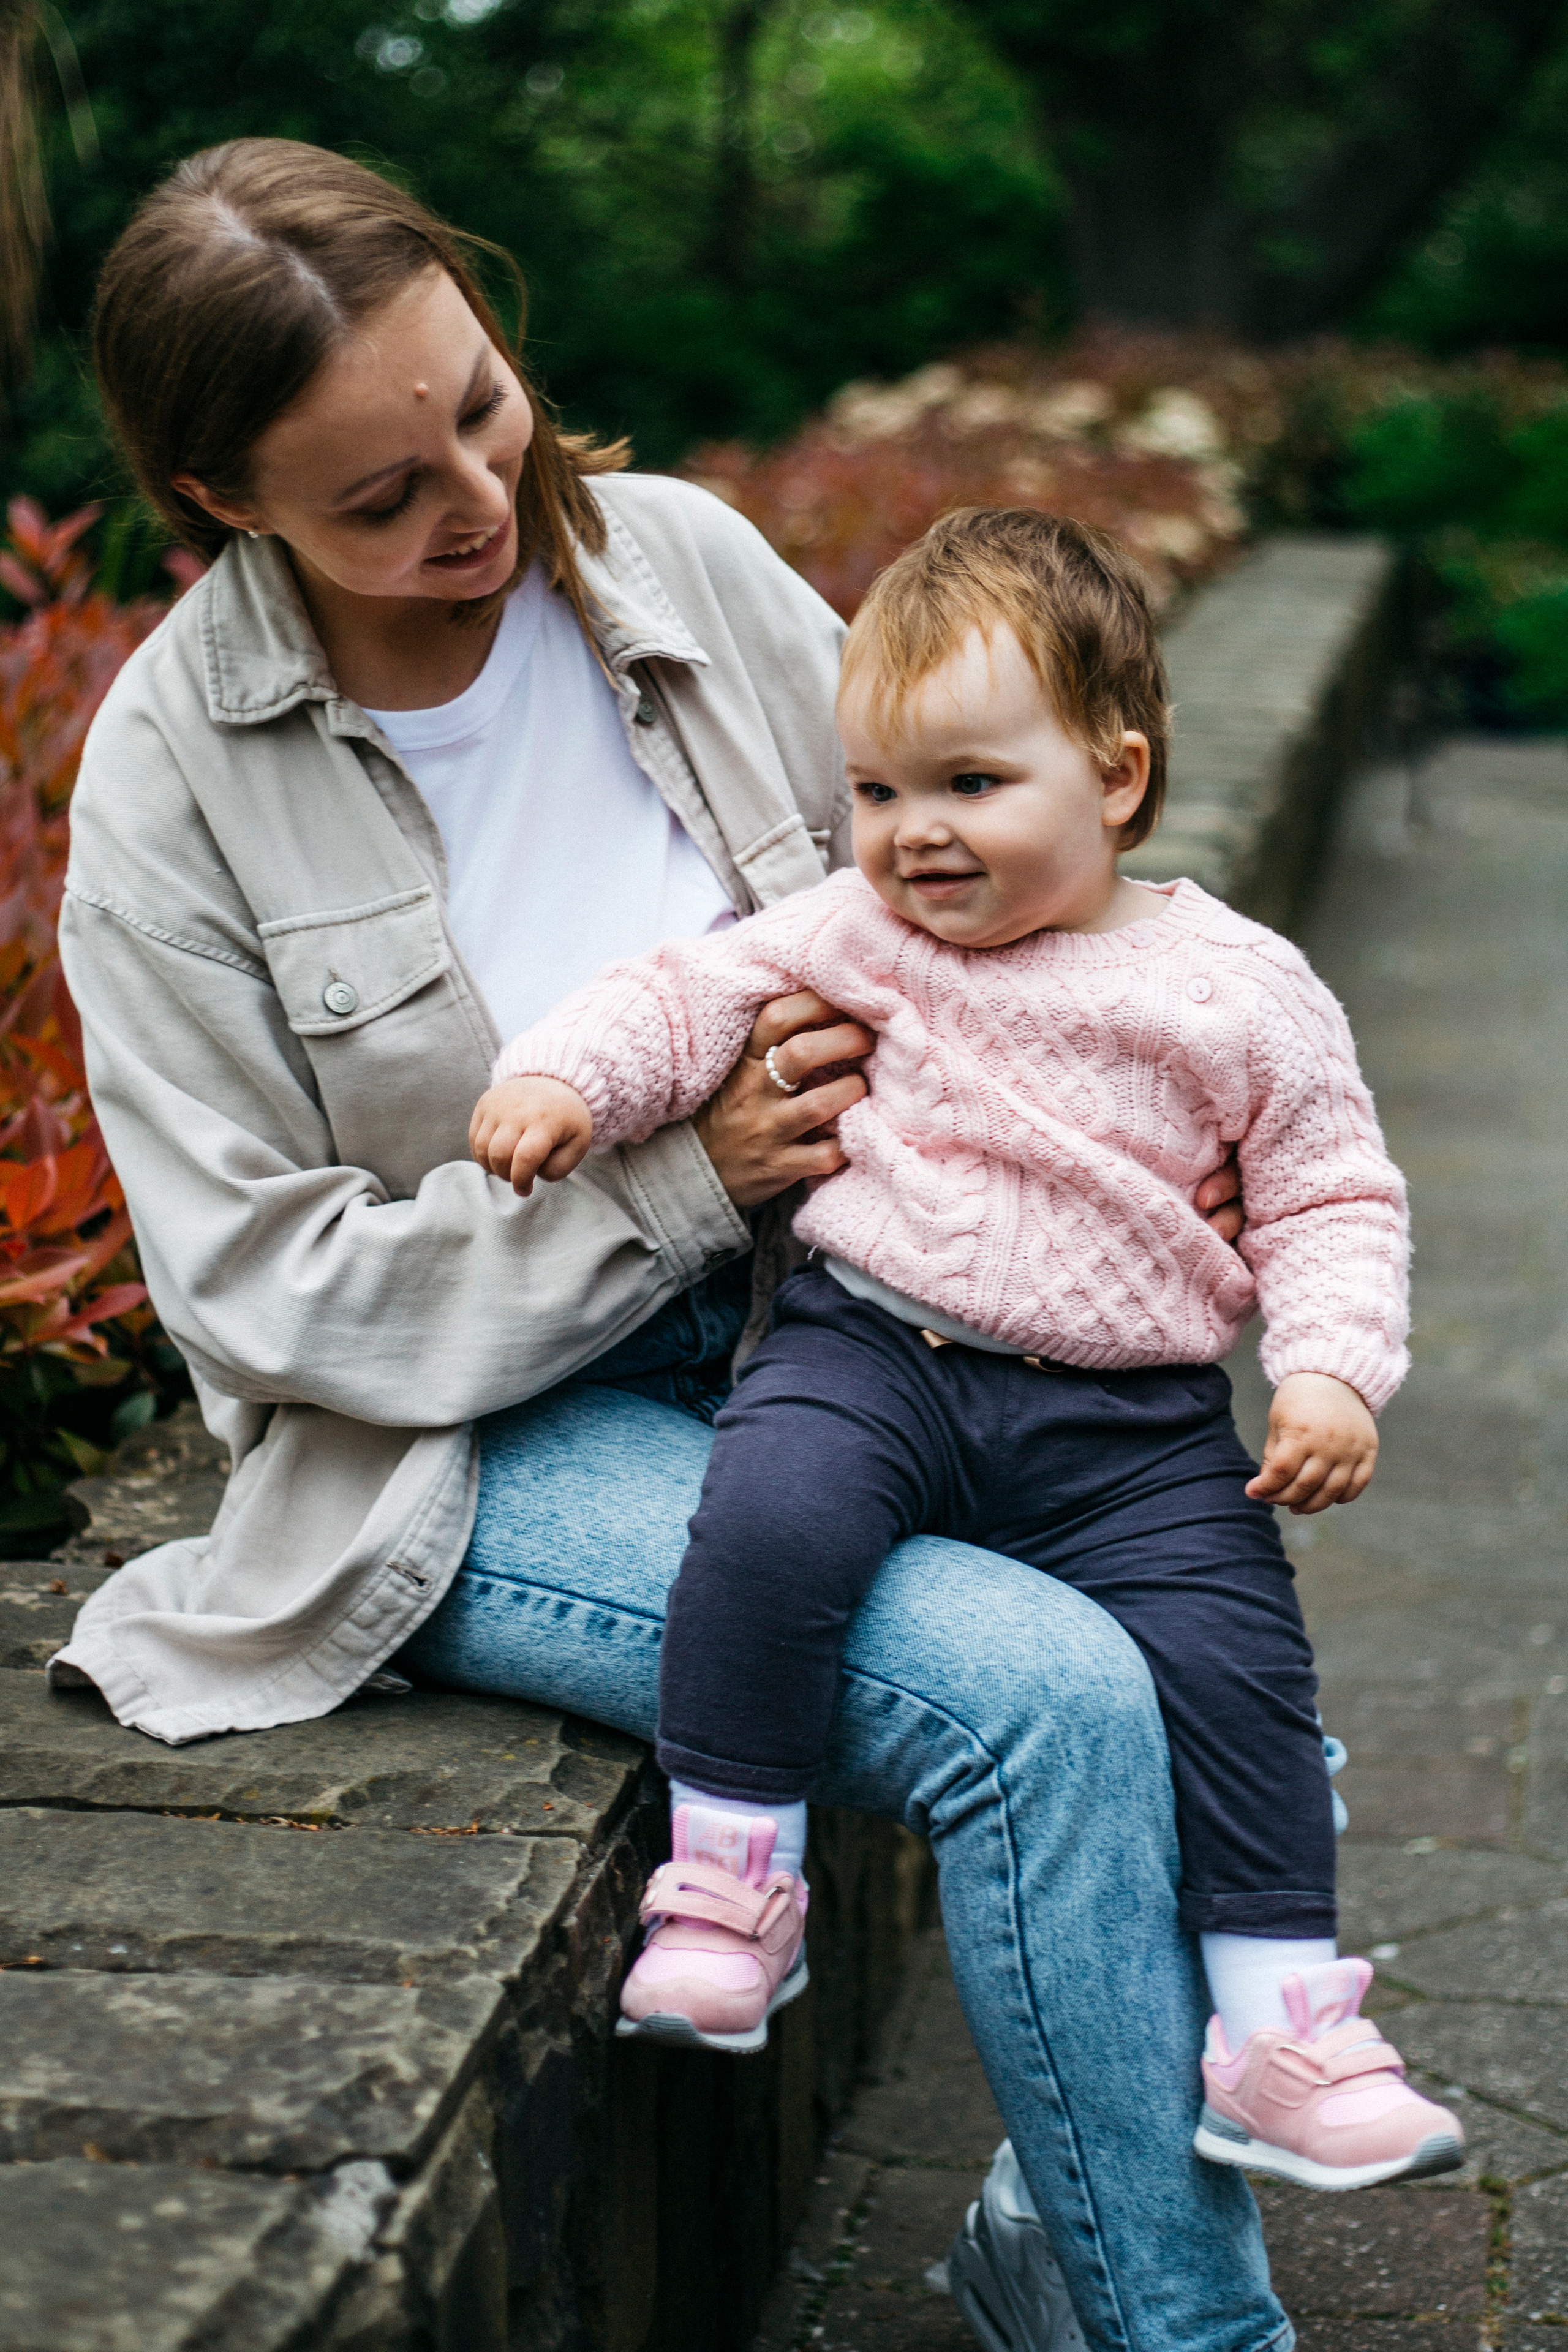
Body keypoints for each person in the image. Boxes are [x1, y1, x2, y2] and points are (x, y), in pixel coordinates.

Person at [51, 135, 1294, 2351]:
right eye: (374, 491)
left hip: (875, 1333)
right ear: (226, 501)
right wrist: (673, 1182)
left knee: (1230, 1674)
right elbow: (253, 1287)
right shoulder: (172, 783)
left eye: (481, 402)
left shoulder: (694, 572)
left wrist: (1150, 1118)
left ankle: (1068, 2217)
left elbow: (982, 899)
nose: (473, 500)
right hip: (479, 1442)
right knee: (1041, 1707)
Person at [473, 506, 1464, 2193]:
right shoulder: (859, 934)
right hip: (876, 1356)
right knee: (767, 1530)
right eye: (877, 791)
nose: (912, 836)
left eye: (971, 787)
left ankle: (1279, 2026)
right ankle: (732, 1881)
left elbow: (1330, 1192)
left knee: (1242, 1682)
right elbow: (683, 996)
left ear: (1120, 778)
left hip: (1130, 1427)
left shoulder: (1238, 986)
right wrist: (565, 1081)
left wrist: (1326, 1372)